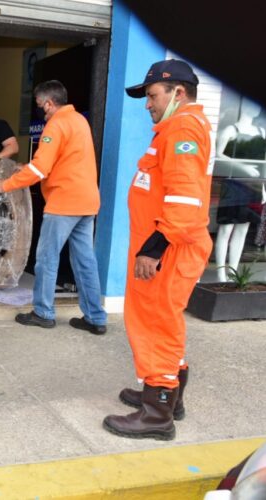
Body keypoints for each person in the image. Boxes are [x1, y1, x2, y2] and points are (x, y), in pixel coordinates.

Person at [103, 59, 213, 440]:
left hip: (168, 248)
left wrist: (154, 248)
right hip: (169, 245)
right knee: (163, 320)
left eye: (152, 95)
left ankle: (157, 413)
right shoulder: (176, 128)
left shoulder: (183, 128)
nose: (147, 103)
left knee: (155, 323)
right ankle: (169, 396)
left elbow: (185, 198)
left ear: (177, 92)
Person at [0, 80, 107, 334]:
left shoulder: (57, 123)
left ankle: (43, 312)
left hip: (64, 202)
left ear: (50, 103)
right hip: (87, 202)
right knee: (85, 261)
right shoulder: (79, 121)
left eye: (42, 107)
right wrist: (26, 168)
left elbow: (41, 169)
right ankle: (95, 317)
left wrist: (4, 185)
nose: (43, 112)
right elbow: (64, 160)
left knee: (46, 258)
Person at [213, 98, 266, 281]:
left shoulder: (262, 132)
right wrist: (244, 168)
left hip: (254, 186)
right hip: (233, 185)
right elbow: (218, 155)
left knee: (243, 229)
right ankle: (221, 274)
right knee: (226, 230)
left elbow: (263, 163)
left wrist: (264, 188)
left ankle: (233, 271)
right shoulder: (230, 130)